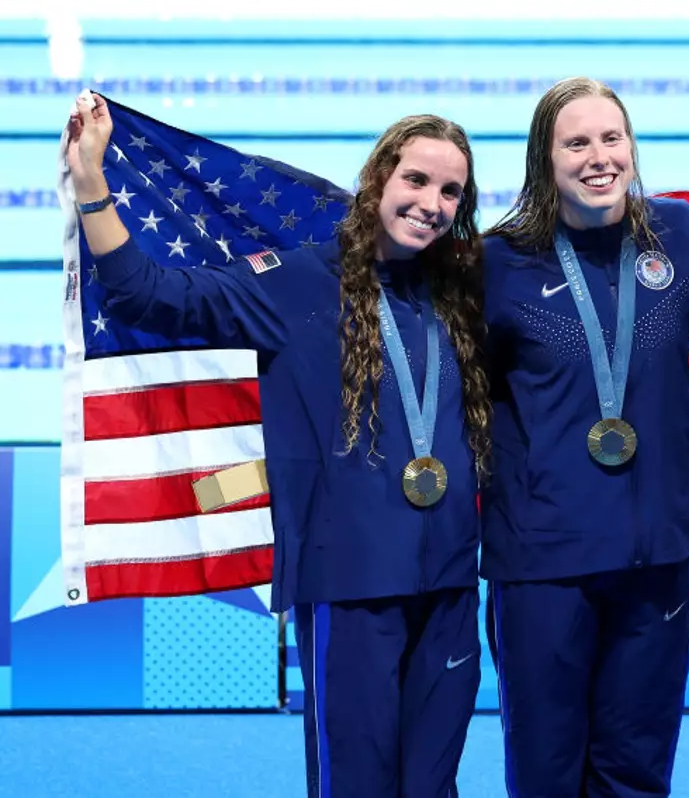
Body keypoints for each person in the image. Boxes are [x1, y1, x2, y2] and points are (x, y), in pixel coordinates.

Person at [65, 95, 488, 798]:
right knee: (355, 785)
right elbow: (147, 295)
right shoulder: (296, 282)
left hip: (448, 585)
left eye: (451, 190)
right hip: (348, 590)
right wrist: (91, 186)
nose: (432, 202)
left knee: (433, 785)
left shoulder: (462, 291)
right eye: (416, 179)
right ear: (378, 177)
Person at [480, 77, 689, 797]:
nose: (599, 156)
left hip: (653, 552)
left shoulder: (680, 236)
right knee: (546, 772)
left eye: (611, 138)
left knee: (636, 768)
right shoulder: (497, 263)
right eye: (576, 142)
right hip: (542, 563)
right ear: (545, 158)